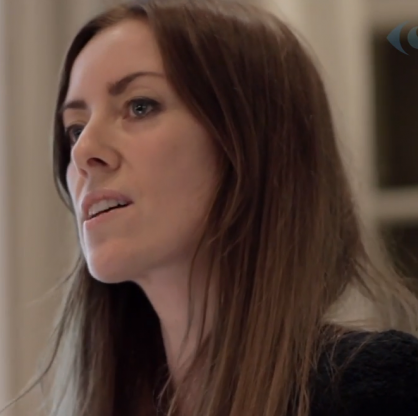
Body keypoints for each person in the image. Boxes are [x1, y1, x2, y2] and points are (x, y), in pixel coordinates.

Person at [3, 0, 418, 415]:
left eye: (140, 106)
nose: (82, 152)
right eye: (75, 129)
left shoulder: (378, 392)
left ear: (251, 144)